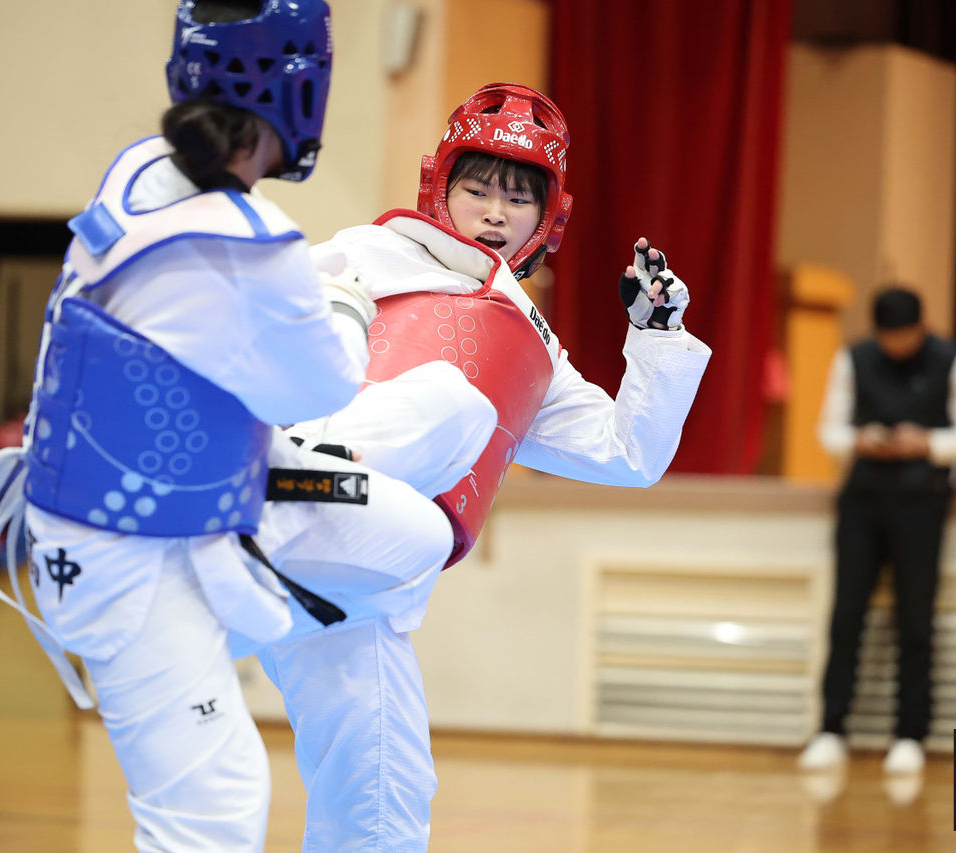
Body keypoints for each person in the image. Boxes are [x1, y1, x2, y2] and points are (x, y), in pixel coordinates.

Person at [0, 2, 490, 850]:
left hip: (177, 512)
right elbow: (322, 382)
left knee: (419, 533)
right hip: (126, 564)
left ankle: (261, 611)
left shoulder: (136, 174)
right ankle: (216, 630)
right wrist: (344, 299)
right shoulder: (250, 245)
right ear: (303, 91)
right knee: (213, 808)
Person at [254, 82, 712, 851]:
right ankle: (280, 500)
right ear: (439, 187)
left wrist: (657, 332)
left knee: (385, 805)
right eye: (478, 190)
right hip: (284, 500)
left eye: (518, 198)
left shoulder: (531, 348)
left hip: (362, 586)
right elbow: (264, 338)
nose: (495, 212)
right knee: (452, 402)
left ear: (549, 217)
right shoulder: (367, 252)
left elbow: (628, 453)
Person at [798, 287, 956, 775]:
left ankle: (909, 734)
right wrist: (860, 439)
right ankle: (830, 729)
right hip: (862, 499)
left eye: (905, 336)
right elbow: (828, 431)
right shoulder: (854, 357)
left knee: (915, 620)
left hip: (922, 502)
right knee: (846, 616)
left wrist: (927, 443)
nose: (897, 347)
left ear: (921, 328)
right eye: (888, 337)